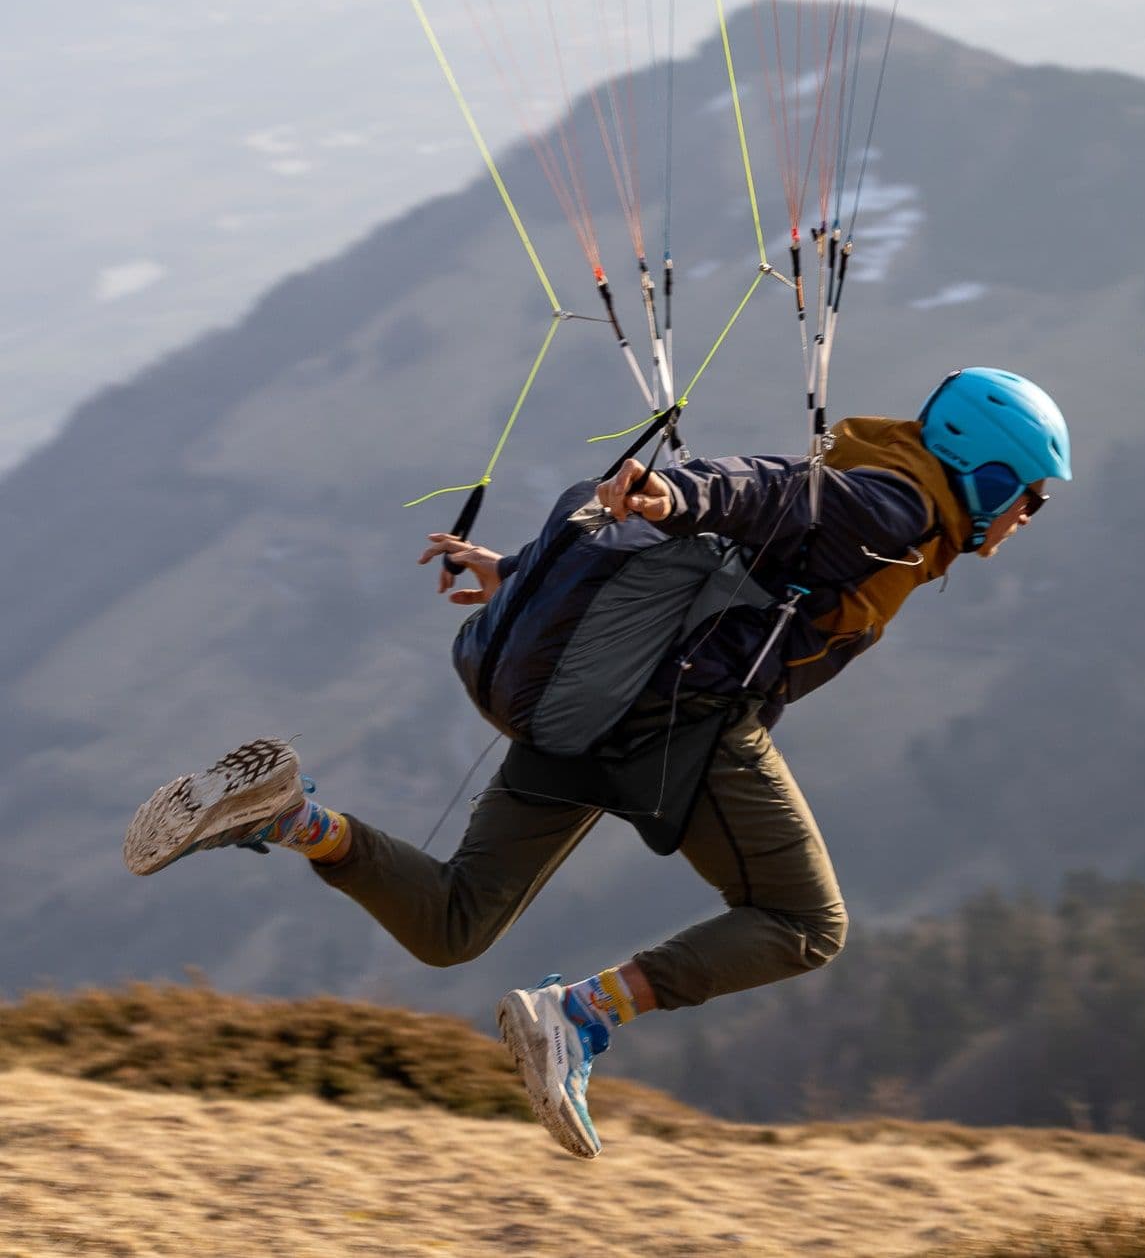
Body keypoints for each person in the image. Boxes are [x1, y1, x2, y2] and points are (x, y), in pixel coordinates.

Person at [124, 367, 1071, 1158]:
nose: (1028, 518)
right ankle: (584, 1015)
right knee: (804, 923)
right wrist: (681, 490)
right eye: (1029, 497)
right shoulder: (893, 507)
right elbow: (764, 491)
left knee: (454, 924)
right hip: (681, 723)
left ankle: (291, 816)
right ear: (990, 477)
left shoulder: (889, 494)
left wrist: (520, 573)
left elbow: (709, 559)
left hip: (599, 708)